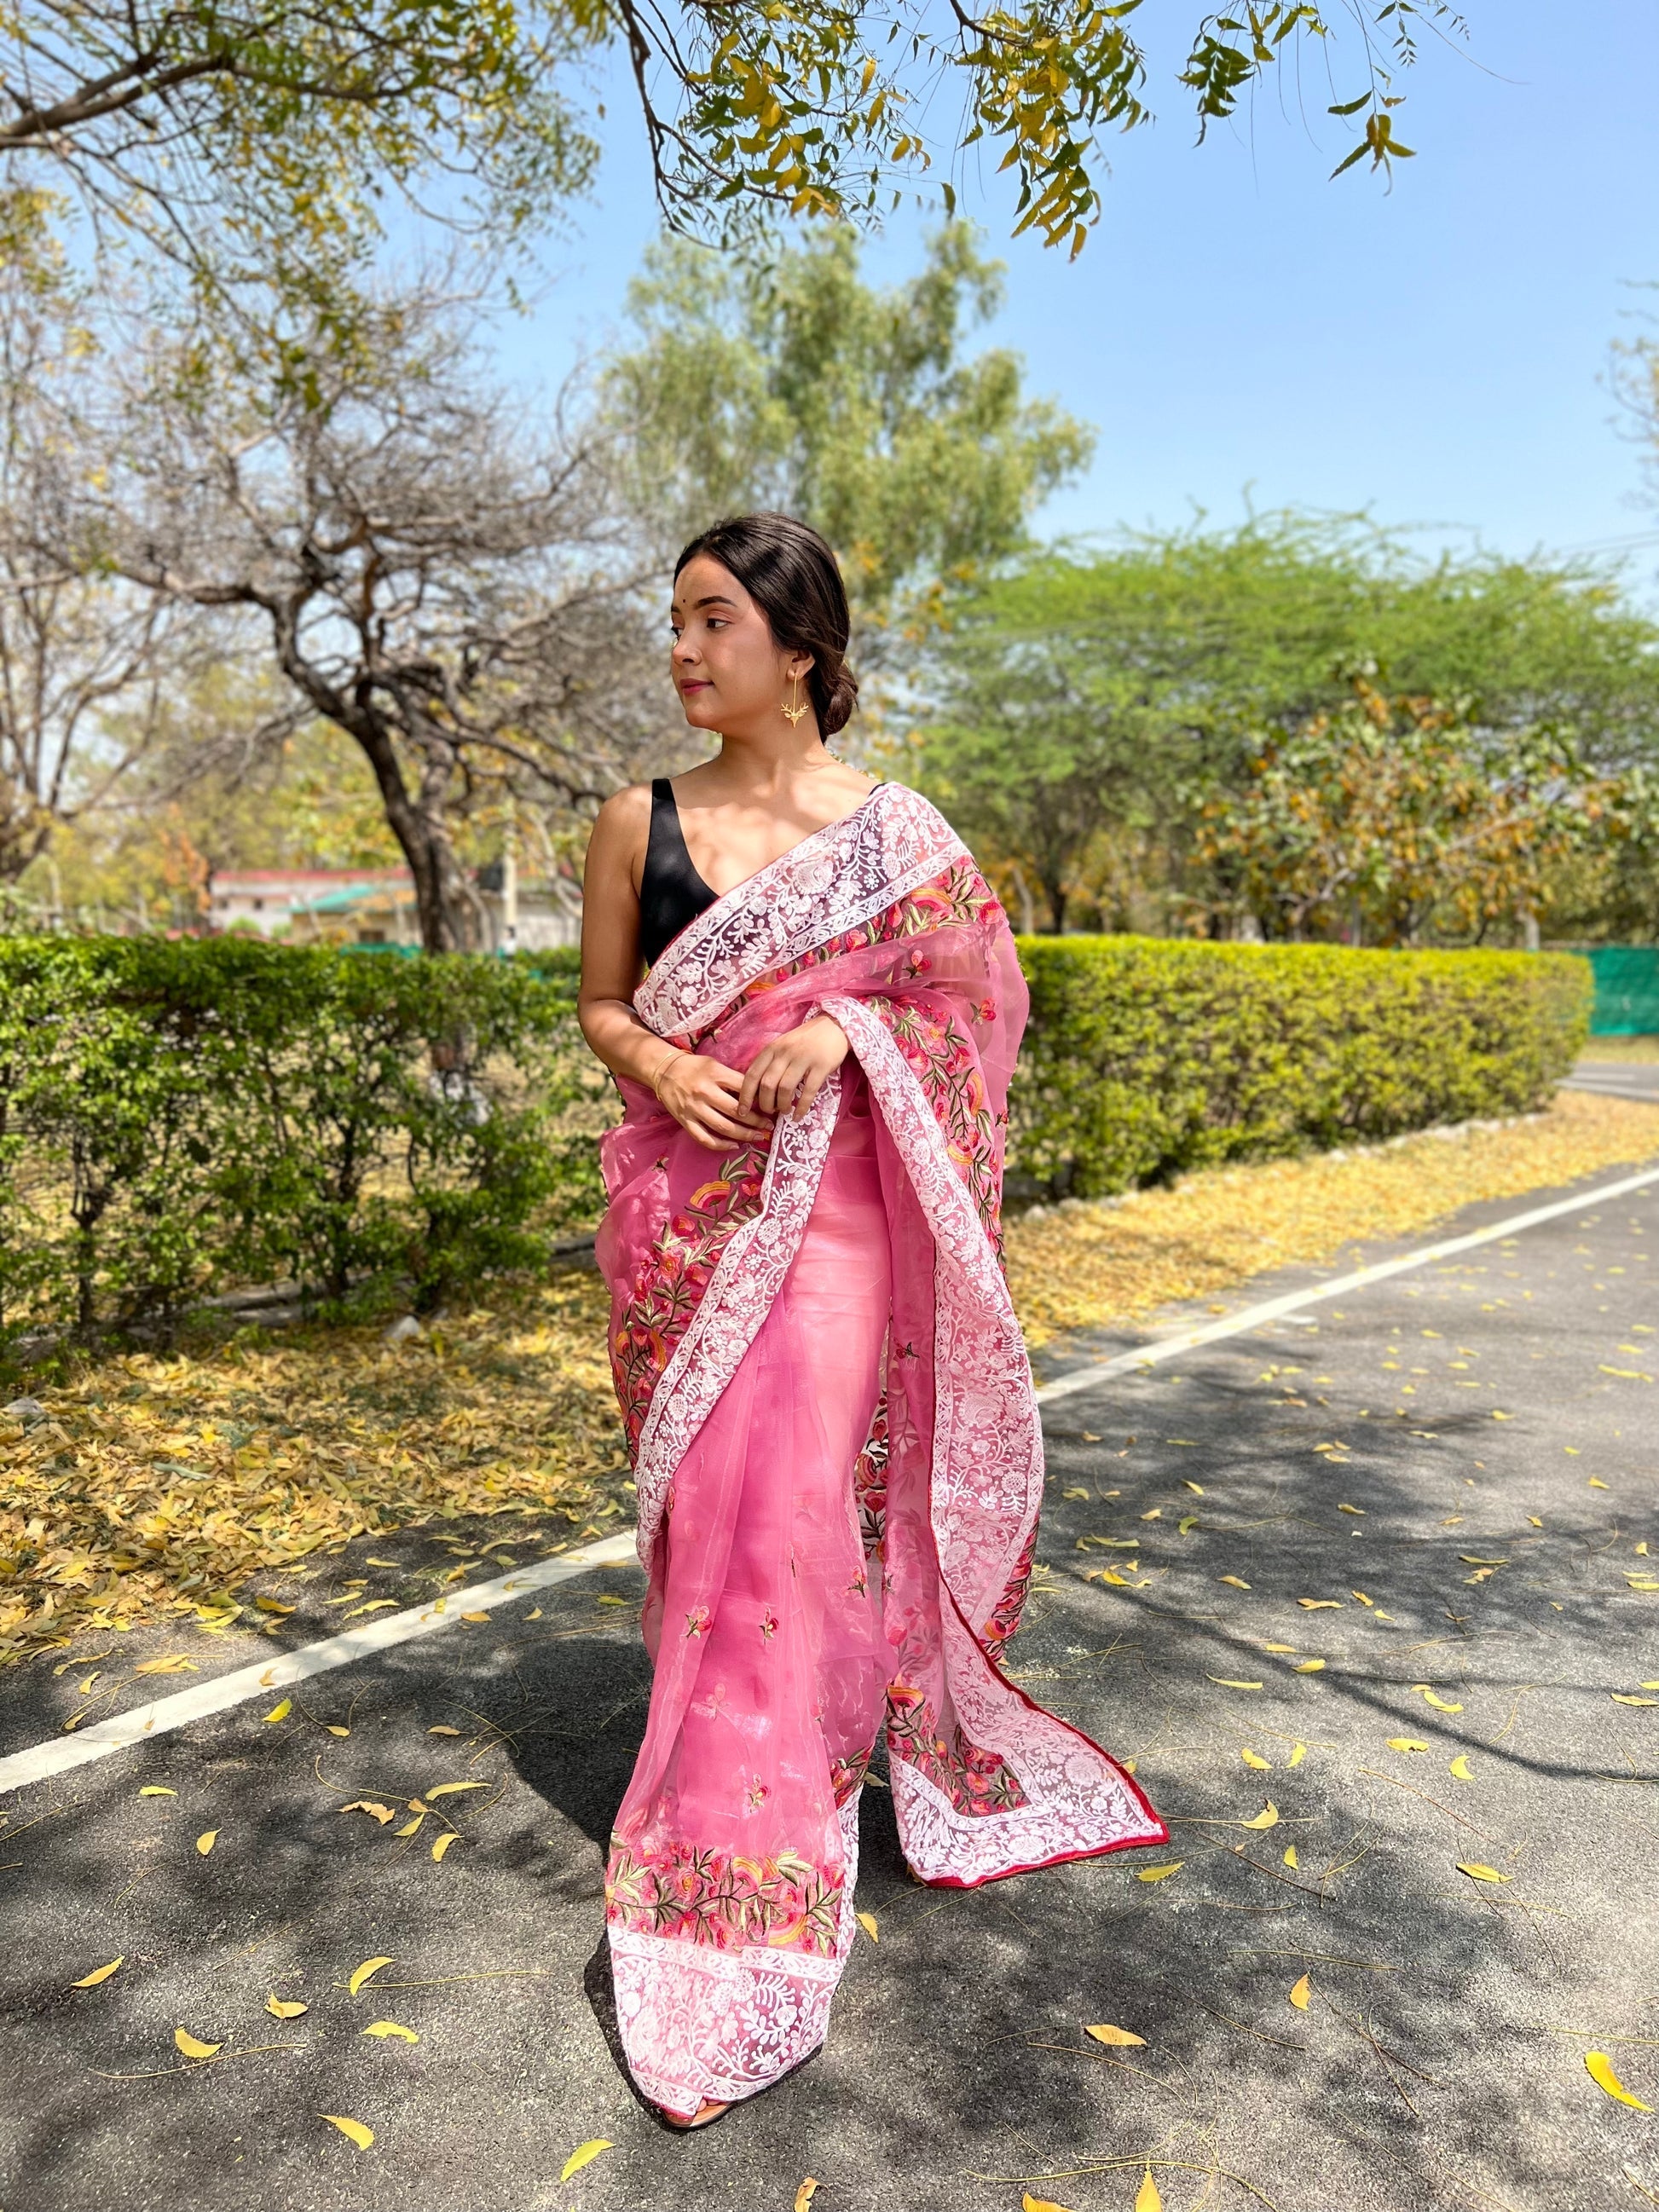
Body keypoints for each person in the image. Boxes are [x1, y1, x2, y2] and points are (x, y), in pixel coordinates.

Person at [576, 511, 1165, 2130]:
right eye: (675, 624)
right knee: (709, 1518)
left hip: (829, 1219)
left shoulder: (897, 838)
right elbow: (604, 1007)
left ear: (801, 647)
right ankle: (765, 1752)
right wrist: (663, 1065)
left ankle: (752, 1829)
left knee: (785, 1512)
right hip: (678, 1221)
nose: (684, 651)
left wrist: (843, 1031)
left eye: (712, 621)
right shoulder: (637, 818)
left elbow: (976, 1003)